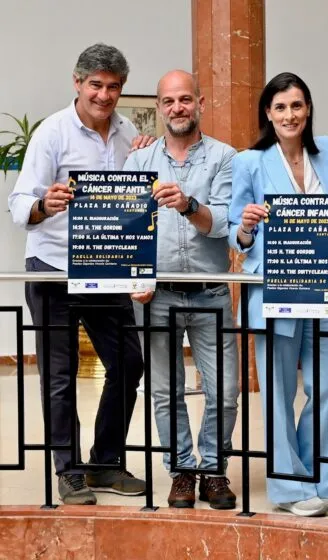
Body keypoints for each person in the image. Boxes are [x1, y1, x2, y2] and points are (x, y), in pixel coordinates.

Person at [8, 43, 152, 505]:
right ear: (77, 82)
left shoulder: (130, 133)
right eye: (95, 85)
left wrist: (146, 160)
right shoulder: (52, 133)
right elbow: (18, 202)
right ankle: (68, 471)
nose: (104, 95)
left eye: (113, 87)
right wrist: (43, 204)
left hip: (106, 268)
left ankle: (105, 463)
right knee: (59, 375)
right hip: (52, 268)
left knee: (128, 363)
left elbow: (135, 199)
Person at [124, 70, 239, 509]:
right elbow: (127, 230)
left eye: (186, 99)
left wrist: (190, 206)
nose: (178, 108)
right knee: (164, 391)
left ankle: (213, 469)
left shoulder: (225, 157)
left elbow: (224, 224)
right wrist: (133, 278)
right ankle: (182, 472)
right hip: (157, 296)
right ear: (159, 108)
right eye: (169, 101)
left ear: (200, 103)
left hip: (210, 292)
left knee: (224, 391)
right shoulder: (139, 162)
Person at [229, 72, 328, 517]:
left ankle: (319, 477)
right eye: (280, 107)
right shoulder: (250, 162)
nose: (289, 115)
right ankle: (289, 486)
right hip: (274, 289)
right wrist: (247, 227)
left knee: (327, 389)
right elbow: (237, 236)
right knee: (277, 392)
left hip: (326, 287)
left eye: (296, 105)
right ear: (268, 113)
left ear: (308, 108)